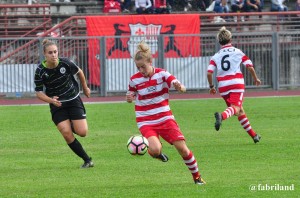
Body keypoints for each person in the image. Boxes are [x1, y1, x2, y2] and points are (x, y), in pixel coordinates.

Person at [126, 41, 205, 185]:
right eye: (138, 67)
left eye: (143, 66)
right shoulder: (134, 80)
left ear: (151, 61)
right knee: (155, 150)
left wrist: (179, 87)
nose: (141, 70)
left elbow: (181, 87)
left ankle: (197, 177)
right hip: (145, 120)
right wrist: (129, 98)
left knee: (183, 149)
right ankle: (158, 154)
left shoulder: (162, 74)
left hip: (164, 117)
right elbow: (130, 96)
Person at [34, 39, 94, 168]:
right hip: (57, 105)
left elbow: (80, 72)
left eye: (55, 52)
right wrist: (51, 100)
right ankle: (87, 160)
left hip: (73, 100)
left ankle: (72, 123)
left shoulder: (65, 63)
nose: (54, 55)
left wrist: (85, 87)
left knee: (82, 132)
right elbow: (38, 93)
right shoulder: (40, 71)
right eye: (50, 52)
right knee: (66, 133)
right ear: (45, 54)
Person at [207, 26, 262, 144]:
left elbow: (209, 72)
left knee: (238, 111)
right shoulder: (237, 52)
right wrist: (255, 78)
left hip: (223, 86)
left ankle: (254, 136)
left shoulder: (216, 56)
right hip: (236, 83)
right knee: (235, 108)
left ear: (219, 41)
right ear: (230, 39)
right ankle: (221, 116)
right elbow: (249, 66)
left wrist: (212, 87)